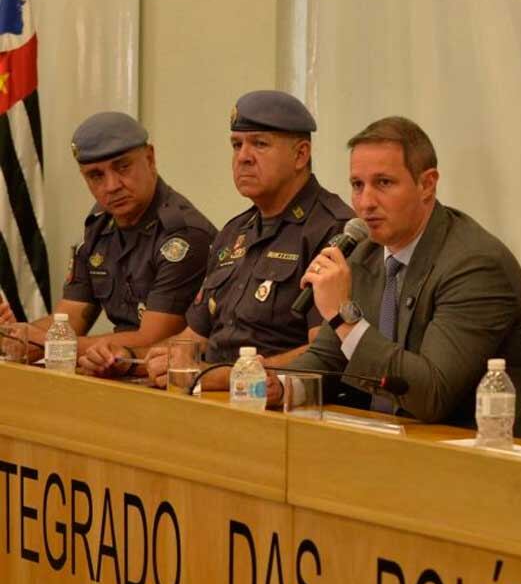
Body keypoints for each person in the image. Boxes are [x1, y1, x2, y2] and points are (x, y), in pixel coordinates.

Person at [289, 116, 521, 435]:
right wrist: (280, 386)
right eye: (357, 185)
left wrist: (343, 316)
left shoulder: (476, 265)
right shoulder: (364, 254)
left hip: (481, 447)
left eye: (383, 183)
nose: (365, 202)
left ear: (427, 184)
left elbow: (432, 394)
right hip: (395, 441)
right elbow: (327, 359)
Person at [116, 90, 354, 390]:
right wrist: (133, 357)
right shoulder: (235, 231)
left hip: (275, 402)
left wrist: (217, 377)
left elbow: (327, 355)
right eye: (237, 145)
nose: (243, 157)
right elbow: (195, 336)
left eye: (260, 144)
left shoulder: (333, 231)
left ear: (300, 155)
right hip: (211, 392)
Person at [0, 112, 214, 376]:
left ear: (150, 158)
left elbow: (152, 340)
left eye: (123, 167)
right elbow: (68, 320)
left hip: (169, 379)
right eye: (96, 175)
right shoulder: (99, 227)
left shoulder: (183, 236)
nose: (111, 186)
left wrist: (46, 341)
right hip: (116, 373)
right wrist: (15, 336)